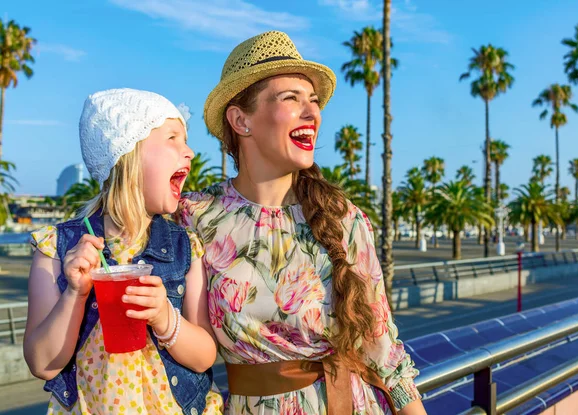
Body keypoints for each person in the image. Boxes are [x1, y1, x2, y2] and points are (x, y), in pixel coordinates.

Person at [178, 31, 426, 414]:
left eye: (313, 101)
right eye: (291, 99)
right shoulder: (196, 218)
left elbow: (384, 352)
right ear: (241, 119)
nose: (313, 112)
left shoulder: (343, 218)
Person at [23, 88, 223, 415]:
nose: (189, 152)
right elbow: (42, 364)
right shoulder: (57, 250)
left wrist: (164, 318)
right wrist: (75, 292)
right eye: (173, 138)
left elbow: (204, 356)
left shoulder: (185, 247)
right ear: (126, 154)